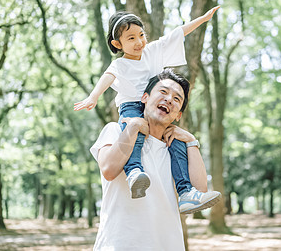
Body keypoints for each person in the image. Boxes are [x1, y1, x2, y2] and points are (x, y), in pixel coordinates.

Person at [74, 7, 220, 213]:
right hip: (132, 106)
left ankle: (186, 192)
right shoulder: (120, 65)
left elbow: (178, 32)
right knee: (137, 131)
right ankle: (134, 171)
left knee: (176, 140)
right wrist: (93, 96)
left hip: (151, 105)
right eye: (131, 38)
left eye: (141, 35)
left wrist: (203, 19)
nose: (139, 42)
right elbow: (107, 77)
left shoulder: (152, 51)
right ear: (118, 44)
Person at [90, 69, 220, 250]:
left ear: (178, 115)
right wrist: (134, 126)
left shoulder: (179, 151)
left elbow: (199, 190)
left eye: (177, 99)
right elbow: (109, 170)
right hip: (119, 244)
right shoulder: (116, 130)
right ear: (144, 98)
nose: (169, 100)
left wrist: (191, 141)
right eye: (163, 92)